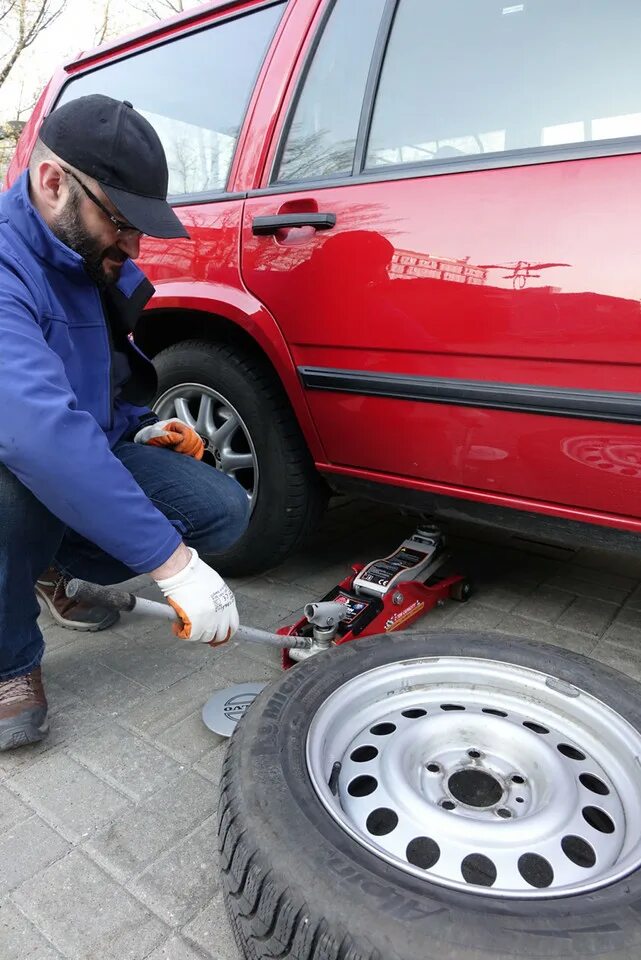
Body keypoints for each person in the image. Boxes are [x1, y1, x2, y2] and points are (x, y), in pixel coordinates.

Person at [0, 95, 250, 752]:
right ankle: (10, 661)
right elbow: (35, 431)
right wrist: (173, 568)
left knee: (220, 509)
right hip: (16, 459)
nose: (136, 244)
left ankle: (47, 563)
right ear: (54, 181)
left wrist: (139, 426)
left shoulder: (93, 258)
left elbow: (110, 370)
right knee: (15, 482)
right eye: (121, 220)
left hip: (77, 449)